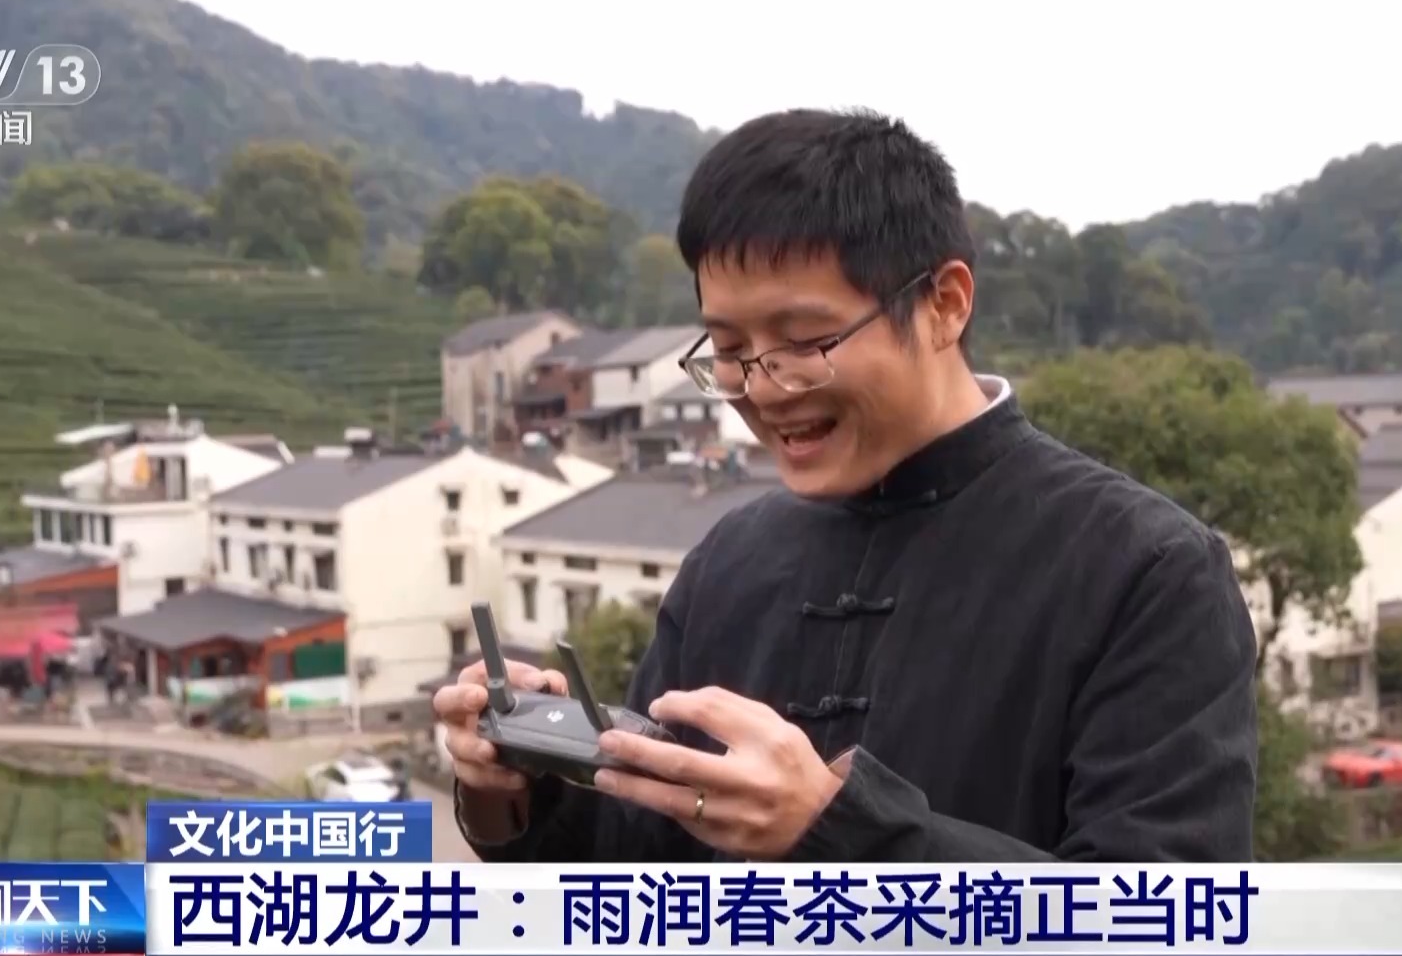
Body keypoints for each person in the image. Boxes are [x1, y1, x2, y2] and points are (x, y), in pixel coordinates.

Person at [434, 108, 1258, 863]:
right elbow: (640, 867)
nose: (764, 386)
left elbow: (1167, 915)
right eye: (729, 350)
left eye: (805, 340)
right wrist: (518, 789)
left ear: (944, 304)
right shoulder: (730, 560)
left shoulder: (1147, 570)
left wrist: (838, 827)